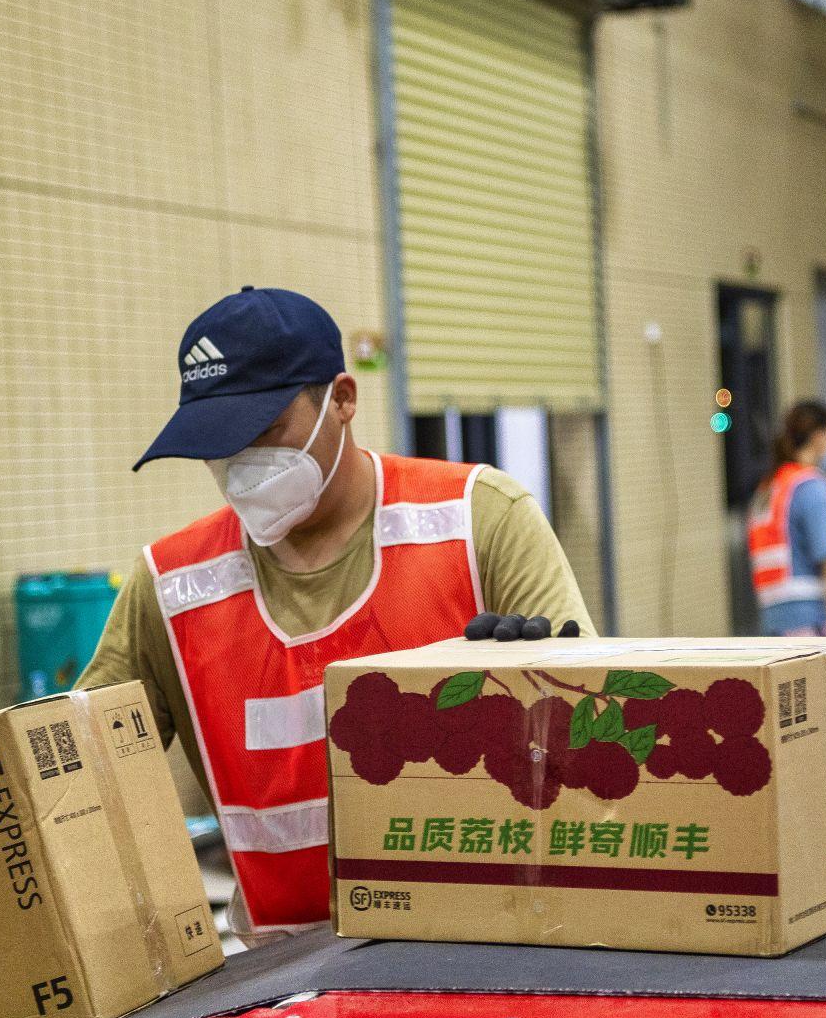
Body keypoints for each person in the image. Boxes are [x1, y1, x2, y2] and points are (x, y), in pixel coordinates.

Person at [78, 287, 593, 941]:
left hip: (489, 943)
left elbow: (593, 750)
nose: (241, 468)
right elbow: (79, 792)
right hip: (282, 981)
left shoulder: (478, 520)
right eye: (218, 446)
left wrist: (531, 704)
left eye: (264, 432)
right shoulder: (173, 587)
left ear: (343, 400)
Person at [747, 399, 826, 636]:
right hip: (811, 622)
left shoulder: (769, 488)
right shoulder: (811, 486)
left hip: (773, 622)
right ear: (819, 436)